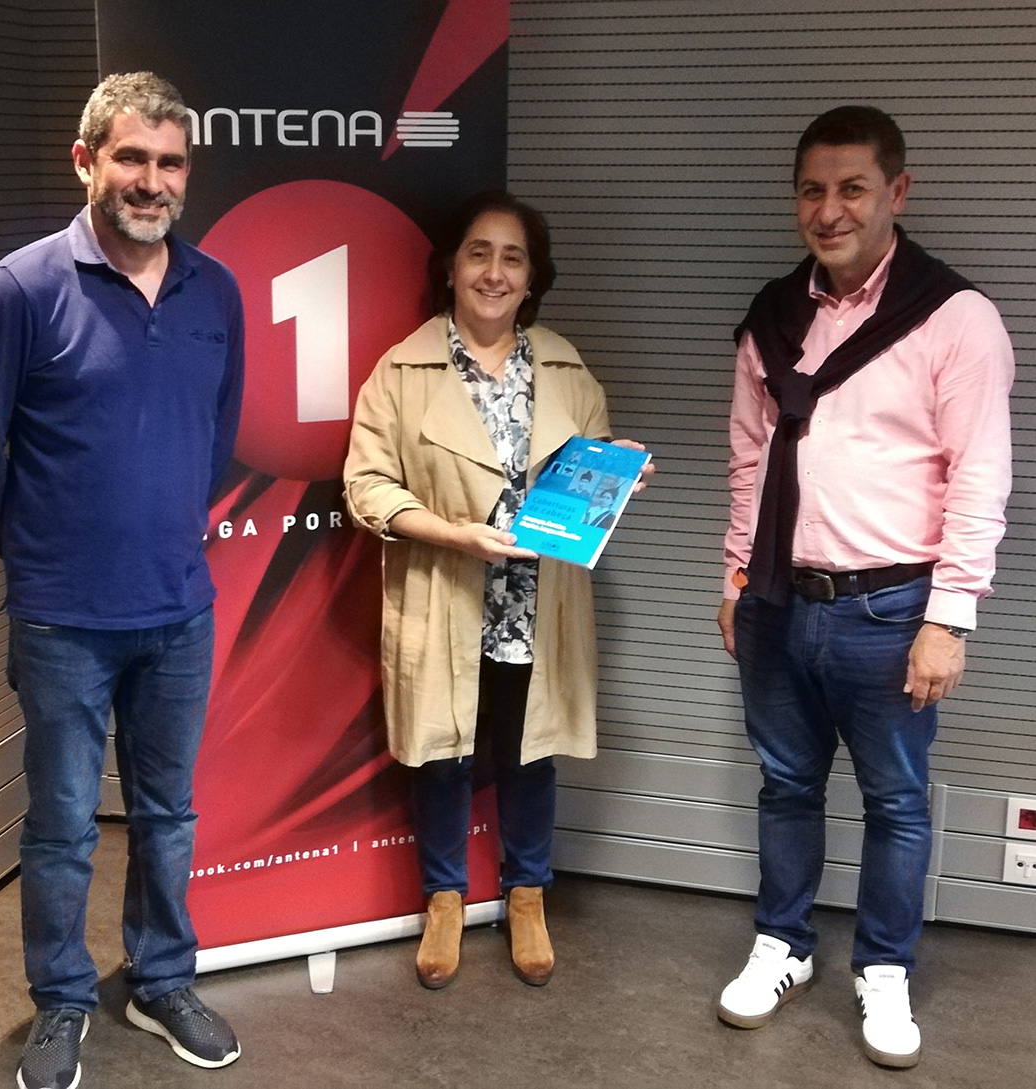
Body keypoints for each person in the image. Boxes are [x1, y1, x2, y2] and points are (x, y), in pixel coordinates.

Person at [0, 72, 244, 1089]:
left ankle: (161, 980)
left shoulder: (216, 291)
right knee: (63, 824)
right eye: (131, 157)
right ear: (86, 161)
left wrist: (163, 530)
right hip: (62, 621)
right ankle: (63, 999)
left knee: (168, 815)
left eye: (171, 162)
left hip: (180, 611)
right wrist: (45, 551)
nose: (152, 181)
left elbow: (216, 436)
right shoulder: (20, 290)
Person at [716, 105, 1013, 1068]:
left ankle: (884, 967)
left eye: (852, 188)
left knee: (896, 802)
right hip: (776, 601)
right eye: (812, 190)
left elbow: (979, 476)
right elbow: (749, 460)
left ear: (898, 191)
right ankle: (783, 943)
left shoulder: (954, 318)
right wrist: (734, 574)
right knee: (787, 785)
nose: (829, 210)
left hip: (891, 611)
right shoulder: (773, 317)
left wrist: (949, 619)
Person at [344, 190, 651, 990]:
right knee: (442, 756)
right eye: (478, 252)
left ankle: (527, 892)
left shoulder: (565, 369)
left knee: (529, 752)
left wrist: (617, 474)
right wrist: (453, 534)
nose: (494, 271)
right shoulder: (401, 371)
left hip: (536, 605)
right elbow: (366, 486)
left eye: (513, 257)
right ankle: (444, 897)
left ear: (532, 276)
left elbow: (583, 480)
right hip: (446, 592)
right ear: (450, 267)